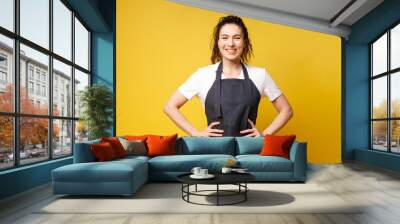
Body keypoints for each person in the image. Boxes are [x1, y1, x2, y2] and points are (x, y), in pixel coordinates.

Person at [164, 15, 293, 137]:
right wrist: (196, 134)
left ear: (244, 41)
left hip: (248, 151)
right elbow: (170, 107)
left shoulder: (260, 75)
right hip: (214, 152)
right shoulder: (203, 75)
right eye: (225, 37)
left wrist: (265, 135)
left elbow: (286, 110)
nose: (230, 44)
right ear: (218, 41)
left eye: (236, 38)